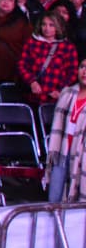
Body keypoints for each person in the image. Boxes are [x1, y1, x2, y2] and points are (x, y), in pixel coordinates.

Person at [44, 59, 86, 202]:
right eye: (82, 67)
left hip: (82, 155)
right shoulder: (67, 93)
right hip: (61, 150)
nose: (84, 71)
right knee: (54, 197)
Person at [18, 13, 77, 107]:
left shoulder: (68, 47)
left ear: (58, 27)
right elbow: (22, 65)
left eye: (51, 25)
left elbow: (73, 72)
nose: (47, 28)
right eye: (44, 24)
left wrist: (61, 90)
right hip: (33, 97)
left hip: (56, 98)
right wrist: (32, 82)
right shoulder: (31, 43)